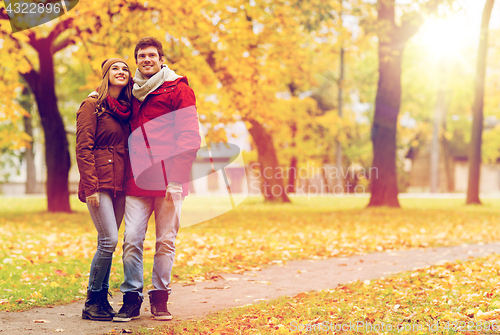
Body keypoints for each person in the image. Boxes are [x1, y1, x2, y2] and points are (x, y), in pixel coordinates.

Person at [113, 37, 201, 322]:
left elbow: (189, 137)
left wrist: (177, 179)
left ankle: (160, 299)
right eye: (141, 56)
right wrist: (93, 97)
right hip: (137, 181)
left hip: (168, 182)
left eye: (152, 55)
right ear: (136, 60)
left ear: (162, 59)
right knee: (131, 240)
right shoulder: (131, 92)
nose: (146, 59)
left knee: (165, 241)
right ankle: (131, 298)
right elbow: (110, 103)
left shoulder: (179, 89)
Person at [76, 58, 132, 321]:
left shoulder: (126, 108)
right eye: (115, 69)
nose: (120, 72)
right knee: (108, 239)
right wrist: (90, 187)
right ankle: (92, 301)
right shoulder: (91, 105)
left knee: (108, 243)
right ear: (105, 75)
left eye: (125, 69)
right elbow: (83, 148)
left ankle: (101, 301)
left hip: (120, 183)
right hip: (99, 182)